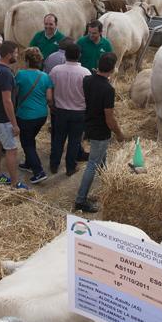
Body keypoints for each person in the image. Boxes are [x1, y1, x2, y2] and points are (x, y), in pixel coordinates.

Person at [73, 52, 127, 213]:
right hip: (100, 131)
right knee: (92, 164)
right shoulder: (108, 89)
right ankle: (80, 200)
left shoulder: (88, 80)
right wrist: (119, 133)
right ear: (113, 69)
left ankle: (107, 187)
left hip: (89, 124)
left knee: (102, 158)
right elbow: (109, 117)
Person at [0, 41, 27, 189]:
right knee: (12, 150)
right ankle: (15, 183)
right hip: (3, 118)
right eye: (16, 53)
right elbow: (7, 101)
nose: (17, 55)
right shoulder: (6, 73)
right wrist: (14, 124)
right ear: (9, 55)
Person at [49, 42, 90, 176]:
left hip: (60, 111)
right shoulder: (85, 73)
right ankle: (70, 168)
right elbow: (87, 94)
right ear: (80, 55)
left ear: (65, 55)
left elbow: (50, 89)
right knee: (74, 141)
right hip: (79, 113)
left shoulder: (55, 70)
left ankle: (54, 165)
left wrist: (52, 104)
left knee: (58, 140)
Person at [14, 47, 53, 185]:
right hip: (41, 115)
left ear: (26, 61)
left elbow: (15, 94)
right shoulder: (45, 76)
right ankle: (29, 163)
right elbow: (49, 98)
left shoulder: (20, 75)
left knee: (26, 143)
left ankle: (39, 171)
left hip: (25, 115)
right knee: (30, 139)